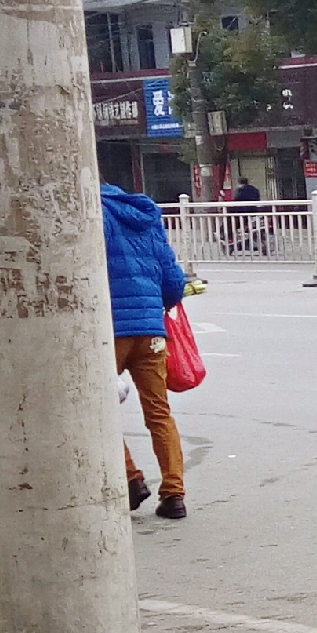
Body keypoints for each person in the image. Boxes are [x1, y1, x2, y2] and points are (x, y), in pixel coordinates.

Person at [102, 180, 190, 520]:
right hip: (152, 330)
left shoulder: (94, 212)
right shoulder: (147, 215)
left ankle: (131, 479)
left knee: (99, 408)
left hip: (110, 330)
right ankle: (174, 494)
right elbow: (173, 282)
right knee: (159, 412)